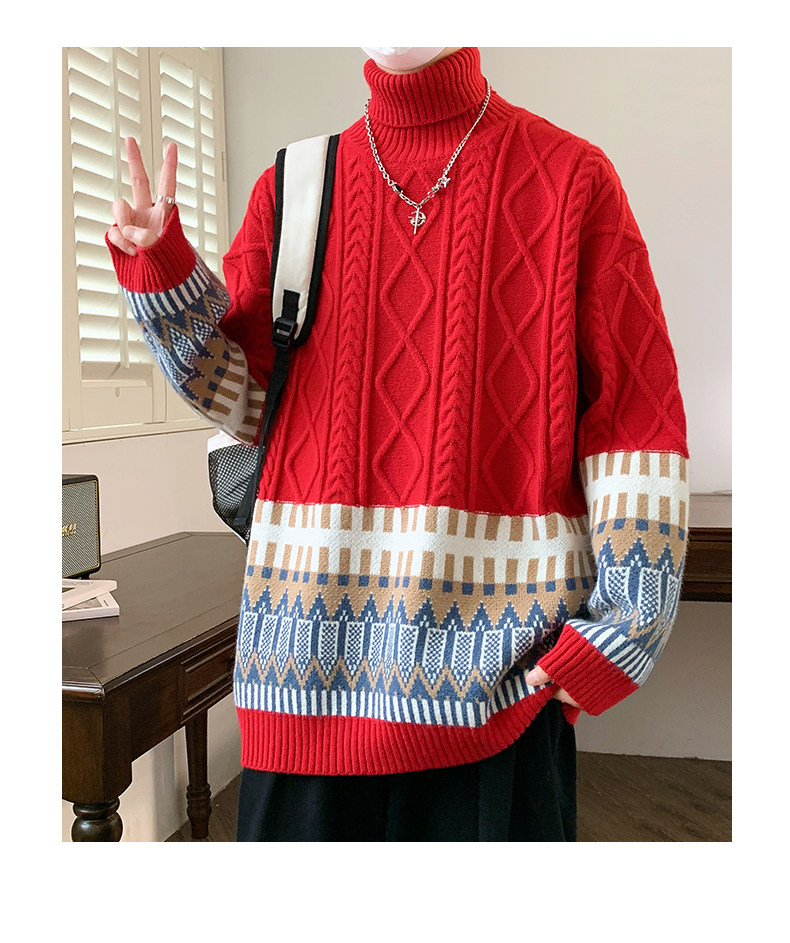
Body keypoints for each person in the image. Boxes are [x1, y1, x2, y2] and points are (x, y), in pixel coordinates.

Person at [106, 46, 690, 841]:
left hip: (500, 703)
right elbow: (244, 406)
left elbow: (636, 422)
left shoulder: (572, 180)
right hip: (302, 685)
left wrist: (624, 630)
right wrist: (162, 269)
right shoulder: (295, 187)